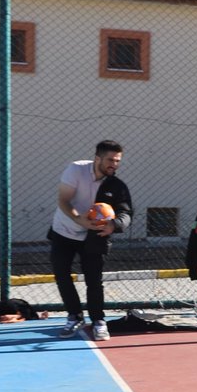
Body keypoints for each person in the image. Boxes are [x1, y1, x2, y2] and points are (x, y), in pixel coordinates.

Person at [49, 140, 133, 341]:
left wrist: (114, 225)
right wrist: (79, 220)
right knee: (61, 275)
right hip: (64, 231)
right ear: (97, 159)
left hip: (94, 238)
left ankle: (98, 321)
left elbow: (126, 212)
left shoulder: (116, 185)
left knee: (94, 281)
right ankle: (74, 316)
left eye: (117, 161)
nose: (114, 164)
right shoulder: (76, 170)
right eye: (110, 160)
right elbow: (63, 200)